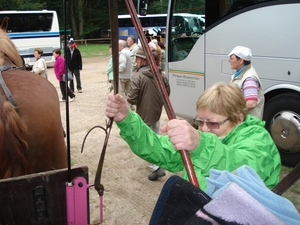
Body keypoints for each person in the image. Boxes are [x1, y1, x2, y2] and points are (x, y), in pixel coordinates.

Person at [105, 82, 281, 190]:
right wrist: (127, 119)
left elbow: (244, 167)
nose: (204, 129)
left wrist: (200, 145)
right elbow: (157, 148)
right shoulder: (204, 142)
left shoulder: (257, 138)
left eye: (212, 123)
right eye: (200, 122)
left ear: (238, 119)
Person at [127, 46, 170, 181]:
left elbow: (131, 98)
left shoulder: (138, 76)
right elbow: (167, 92)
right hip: (157, 112)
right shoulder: (160, 75)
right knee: (155, 138)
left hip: (145, 114)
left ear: (142, 60)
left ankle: (157, 167)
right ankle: (159, 164)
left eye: (137, 59)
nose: (136, 62)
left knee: (146, 142)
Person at [228, 46, 264, 119]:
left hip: (247, 123)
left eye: (232, 58)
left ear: (241, 60)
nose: (229, 60)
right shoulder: (241, 73)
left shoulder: (249, 79)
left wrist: (232, 113)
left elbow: (251, 103)